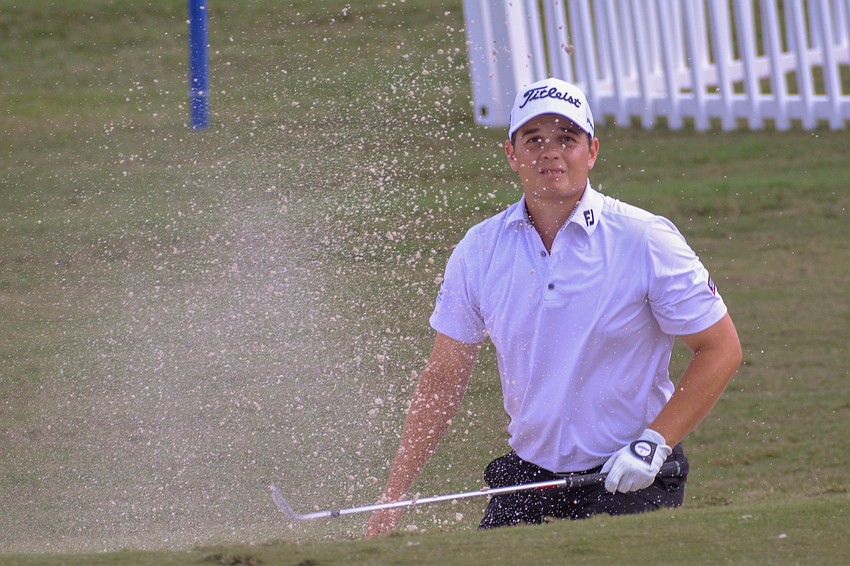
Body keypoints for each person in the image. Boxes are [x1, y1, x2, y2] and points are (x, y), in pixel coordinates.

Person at [365, 78, 742, 536]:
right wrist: (395, 493)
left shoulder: (645, 239)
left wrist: (653, 445)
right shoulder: (479, 250)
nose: (550, 152)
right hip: (528, 478)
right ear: (512, 154)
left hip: (629, 474)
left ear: (592, 151)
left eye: (567, 138)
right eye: (534, 140)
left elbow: (721, 348)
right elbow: (444, 377)